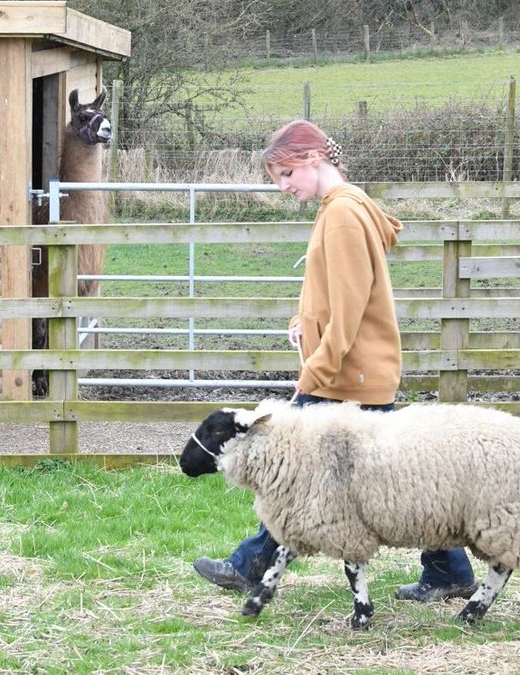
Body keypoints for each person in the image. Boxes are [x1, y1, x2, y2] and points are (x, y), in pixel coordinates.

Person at [191, 119, 477, 603]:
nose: (283, 188)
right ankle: (448, 569)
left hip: (346, 375)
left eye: (285, 175)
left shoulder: (342, 214)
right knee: (398, 481)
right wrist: (307, 319)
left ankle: (250, 565)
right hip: (353, 368)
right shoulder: (343, 207)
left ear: (311, 159)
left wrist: (312, 374)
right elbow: (338, 296)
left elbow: (348, 311)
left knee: (301, 476)